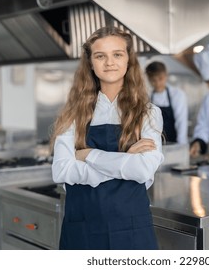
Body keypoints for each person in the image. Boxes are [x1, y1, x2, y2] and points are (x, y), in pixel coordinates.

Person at [50, 27, 164, 250]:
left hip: (130, 228)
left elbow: (142, 171)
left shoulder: (148, 113)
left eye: (117, 54)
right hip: (82, 228)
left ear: (128, 60)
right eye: (100, 56)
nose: (109, 62)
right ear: (90, 63)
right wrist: (124, 160)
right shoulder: (72, 114)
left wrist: (89, 155)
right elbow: (61, 171)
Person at [145, 61, 188, 144]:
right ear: (148, 79)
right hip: (154, 145)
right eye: (153, 80)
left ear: (166, 75)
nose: (157, 83)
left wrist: (181, 146)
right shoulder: (147, 97)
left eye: (160, 79)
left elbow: (181, 122)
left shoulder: (177, 95)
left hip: (173, 144)